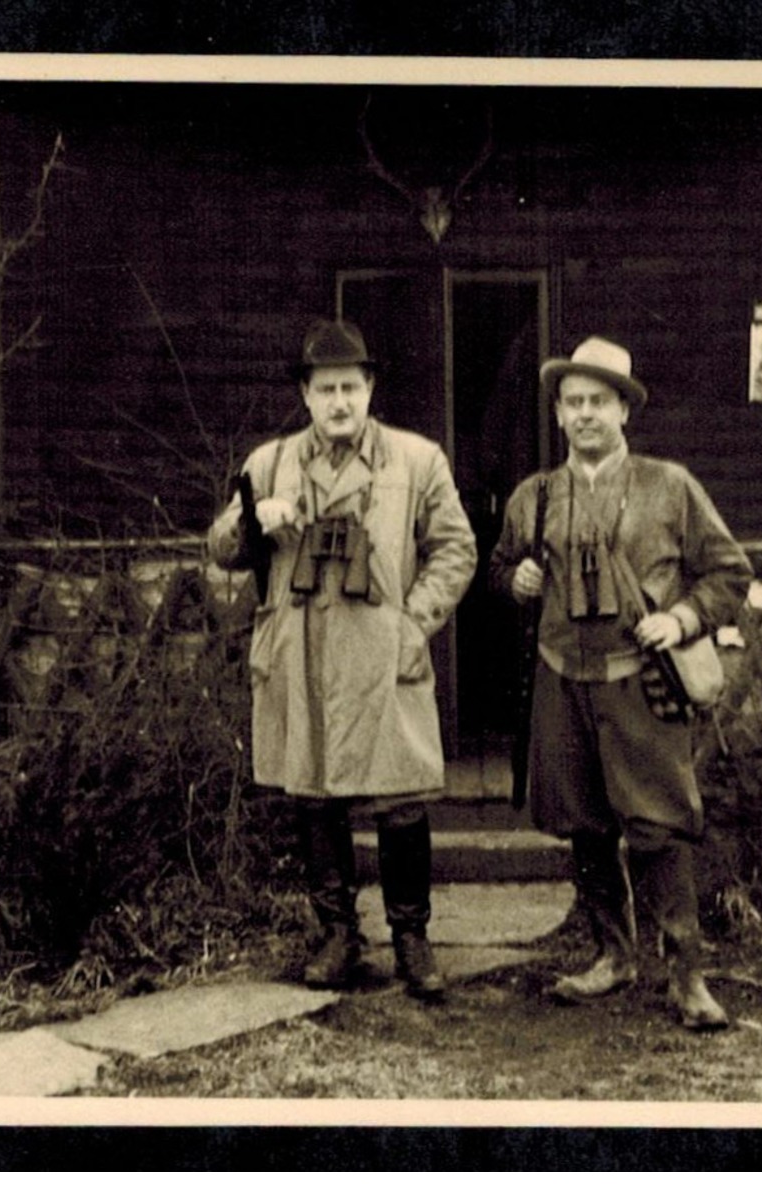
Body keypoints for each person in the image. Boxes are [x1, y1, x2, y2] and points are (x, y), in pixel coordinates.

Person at [489, 335, 752, 1030]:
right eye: (572, 402)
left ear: (623, 411)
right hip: (560, 679)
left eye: (597, 401)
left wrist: (681, 618)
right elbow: (500, 568)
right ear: (557, 415)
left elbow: (730, 572)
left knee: (657, 824)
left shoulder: (671, 486)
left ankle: (685, 973)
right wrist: (513, 580)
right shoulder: (533, 496)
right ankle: (611, 955)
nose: (584, 414)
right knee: (584, 823)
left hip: (640, 683)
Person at [208, 318, 477, 1000]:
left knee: (400, 795)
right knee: (313, 793)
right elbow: (219, 549)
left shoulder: (417, 460)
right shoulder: (266, 464)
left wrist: (413, 621)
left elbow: (456, 548)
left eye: (350, 388)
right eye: (325, 388)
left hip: (382, 654)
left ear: (369, 388)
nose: (339, 402)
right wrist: (251, 518)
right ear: (304, 393)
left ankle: (411, 938)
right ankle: (337, 934)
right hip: (300, 650)